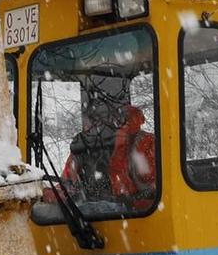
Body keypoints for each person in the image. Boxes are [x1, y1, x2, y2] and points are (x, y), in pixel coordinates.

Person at [63, 72, 156, 209]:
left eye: (103, 116)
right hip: (90, 220)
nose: (94, 124)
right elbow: (66, 184)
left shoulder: (145, 144)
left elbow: (158, 191)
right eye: (92, 118)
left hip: (136, 219)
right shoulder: (82, 147)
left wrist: (130, 202)